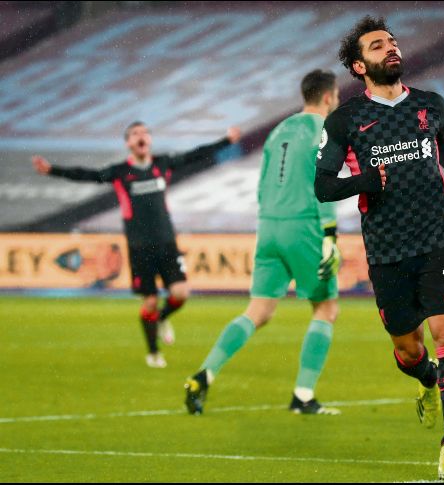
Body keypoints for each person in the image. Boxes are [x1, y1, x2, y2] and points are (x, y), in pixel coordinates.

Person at [314, 16, 444, 482]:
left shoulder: (430, 105)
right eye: (378, 45)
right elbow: (323, 186)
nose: (391, 49)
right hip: (387, 249)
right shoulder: (345, 121)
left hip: (439, 235)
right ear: (358, 65)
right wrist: (366, 180)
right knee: (408, 349)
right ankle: (426, 379)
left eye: (392, 42)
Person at [184, 70, 342, 416]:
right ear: (328, 97)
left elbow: (261, 186)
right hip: (305, 227)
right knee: (326, 308)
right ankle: (303, 396)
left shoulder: (278, 130)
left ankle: (204, 373)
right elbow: (325, 184)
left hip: (269, 226)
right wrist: (329, 235)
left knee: (258, 310)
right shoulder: (327, 131)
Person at [32, 123, 241, 368]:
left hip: (166, 241)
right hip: (140, 246)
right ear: (128, 143)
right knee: (150, 301)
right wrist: (52, 170)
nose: (140, 137)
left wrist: (226, 141)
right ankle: (153, 352)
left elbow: (197, 154)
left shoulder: (163, 164)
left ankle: (162, 319)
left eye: (144, 133)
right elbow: (87, 174)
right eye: (135, 134)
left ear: (150, 139)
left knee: (181, 293)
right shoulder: (120, 172)